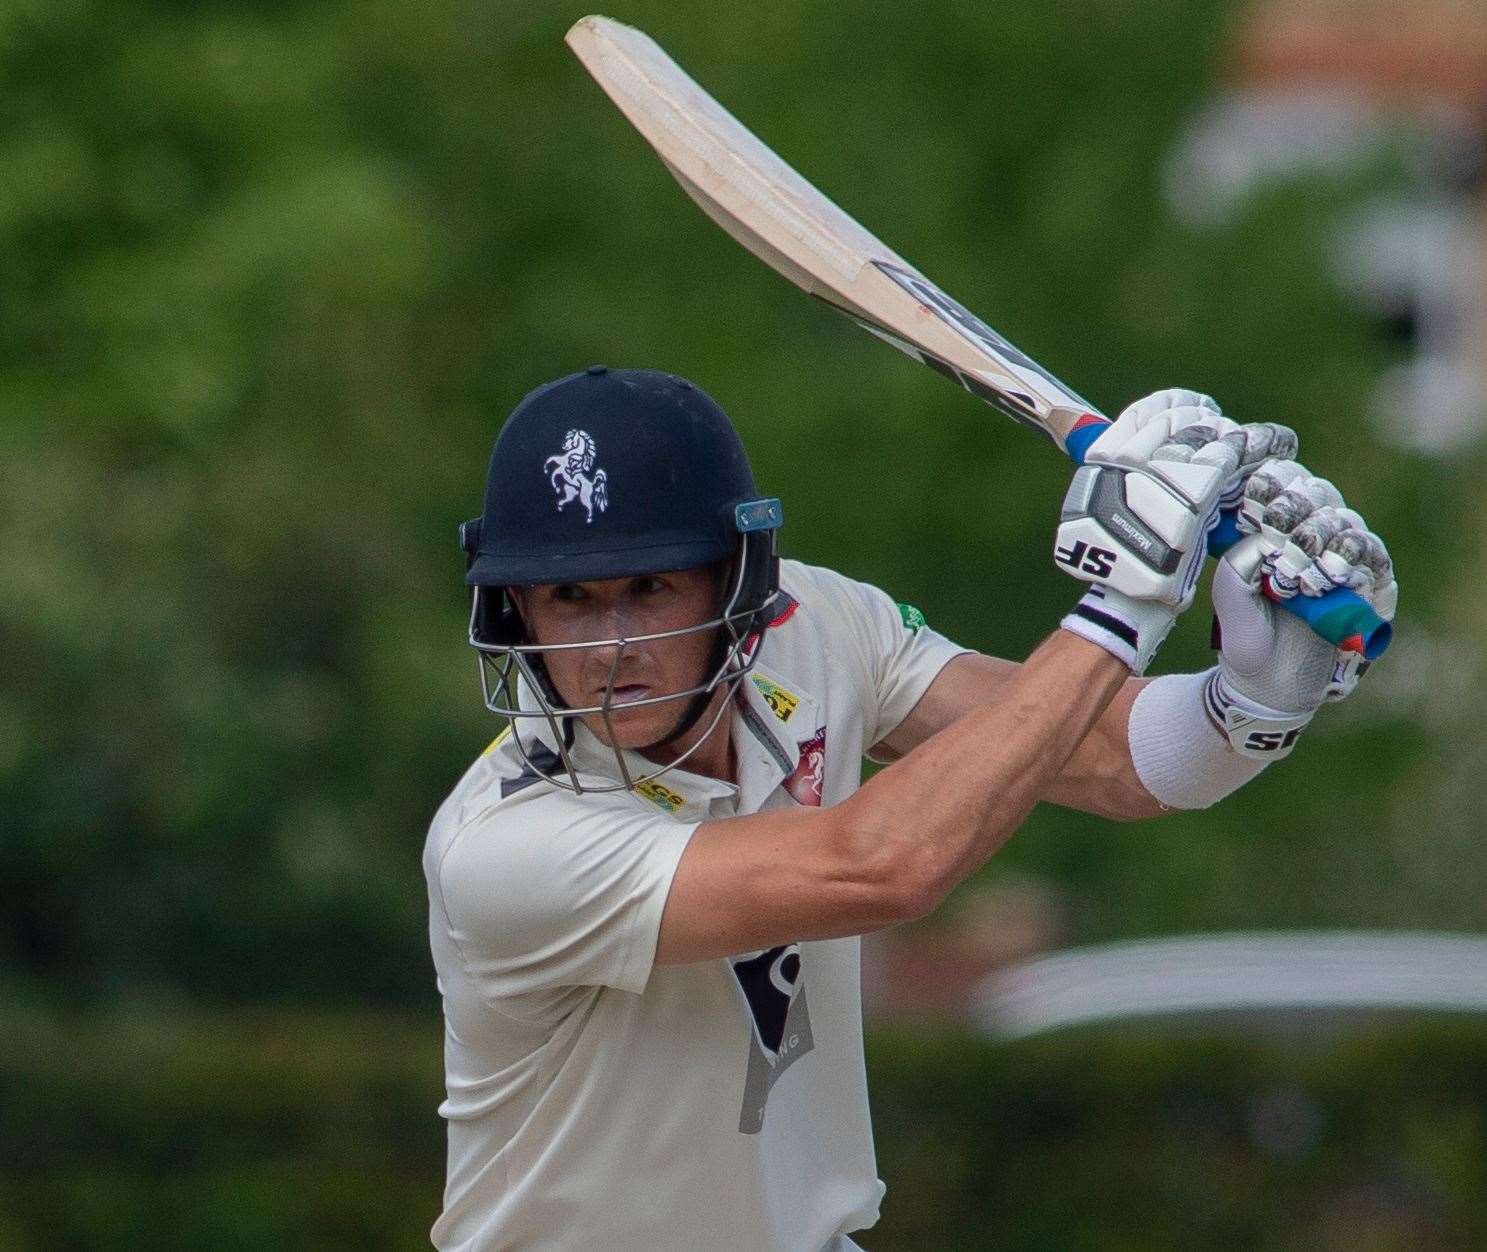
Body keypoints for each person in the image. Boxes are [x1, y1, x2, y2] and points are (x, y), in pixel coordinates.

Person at [423, 365, 1395, 1251]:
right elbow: (879, 864)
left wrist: (1254, 700)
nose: (613, 644)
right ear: (512, 610)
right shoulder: (507, 844)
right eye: (568, 598)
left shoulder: (818, 629)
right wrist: (1123, 601)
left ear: (738, 576)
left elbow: (1098, 754)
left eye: (650, 585)